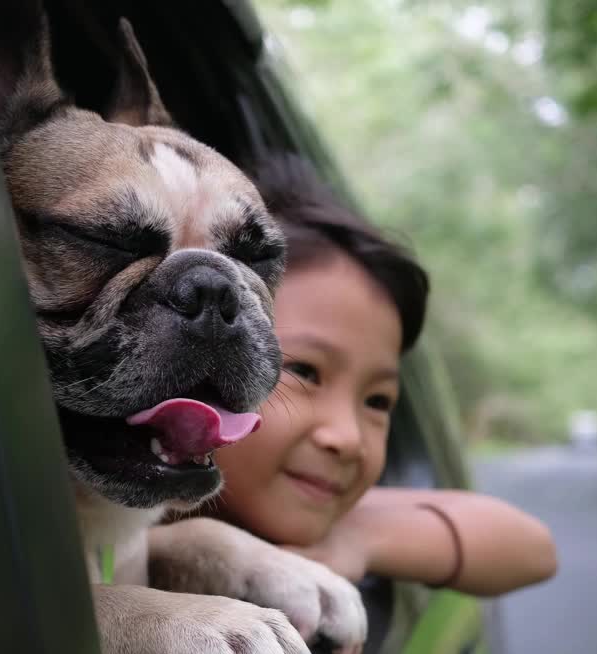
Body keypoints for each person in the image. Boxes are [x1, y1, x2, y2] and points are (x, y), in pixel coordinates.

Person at [208, 154, 556, 596]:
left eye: (377, 401)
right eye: (306, 372)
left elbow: (532, 547)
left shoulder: (325, 516)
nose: (348, 437)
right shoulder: (108, 540)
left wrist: (359, 539)